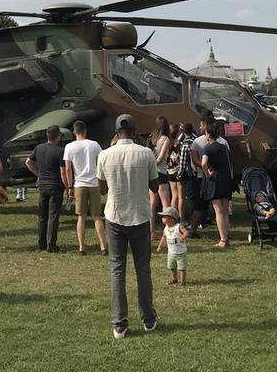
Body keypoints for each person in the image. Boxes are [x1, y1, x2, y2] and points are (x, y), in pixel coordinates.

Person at [97, 114, 158, 339]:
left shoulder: (104, 154)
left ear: (116, 132)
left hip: (115, 215)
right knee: (143, 269)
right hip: (140, 215)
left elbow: (102, 189)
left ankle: (119, 323)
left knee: (117, 270)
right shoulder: (146, 153)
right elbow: (154, 186)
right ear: (134, 131)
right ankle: (148, 318)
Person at [63, 120, 108, 255]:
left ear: (74, 132)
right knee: (97, 216)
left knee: (81, 216)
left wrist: (70, 185)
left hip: (79, 184)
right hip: (93, 183)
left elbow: (67, 169)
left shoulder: (69, 147)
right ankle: (103, 246)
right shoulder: (94, 144)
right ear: (85, 131)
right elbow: (101, 161)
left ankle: (82, 247)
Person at [26, 125, 66, 253]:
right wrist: (67, 185)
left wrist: (38, 174)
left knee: (42, 215)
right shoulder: (60, 151)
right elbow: (63, 171)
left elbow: (28, 161)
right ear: (58, 136)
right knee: (53, 216)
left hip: (42, 184)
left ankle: (41, 243)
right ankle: (51, 244)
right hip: (55, 185)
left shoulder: (39, 148)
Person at [200, 122, 233, 248]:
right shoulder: (223, 146)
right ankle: (226, 237)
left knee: (218, 211)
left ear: (208, 134)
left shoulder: (208, 148)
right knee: (224, 211)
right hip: (225, 178)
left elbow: (203, 164)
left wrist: (208, 175)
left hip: (215, 179)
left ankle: (223, 240)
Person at [148, 116, 172, 238]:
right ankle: (167, 231)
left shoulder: (152, 138)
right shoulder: (165, 139)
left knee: (152, 203)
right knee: (165, 203)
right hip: (161, 173)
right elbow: (161, 157)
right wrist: (155, 163)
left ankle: (151, 232)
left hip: (151, 174)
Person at [154, 206, 187, 286]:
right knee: (171, 267)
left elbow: (186, 232)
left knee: (181, 268)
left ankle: (182, 282)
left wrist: (183, 236)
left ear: (172, 219)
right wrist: (160, 246)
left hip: (180, 253)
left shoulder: (178, 227)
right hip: (171, 253)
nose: (162, 218)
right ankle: (174, 279)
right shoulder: (166, 228)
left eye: (165, 217)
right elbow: (164, 237)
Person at [173, 123, 194, 222]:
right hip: (195, 172)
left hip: (186, 173)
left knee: (181, 198)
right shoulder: (195, 139)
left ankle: (182, 219)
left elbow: (183, 163)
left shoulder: (185, 144)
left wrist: (179, 174)